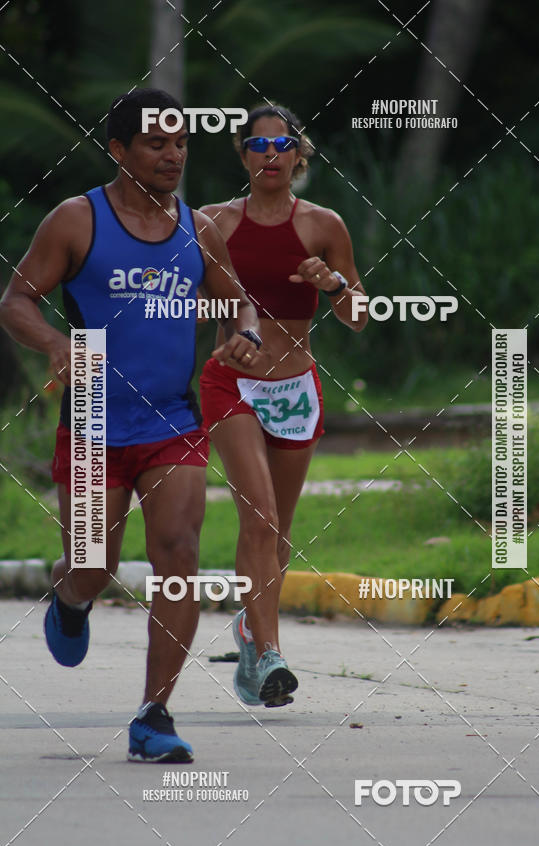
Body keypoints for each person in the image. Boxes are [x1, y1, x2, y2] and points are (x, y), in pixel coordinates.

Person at [0, 88, 261, 763]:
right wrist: (55, 343)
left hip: (172, 420)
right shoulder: (76, 219)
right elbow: (16, 300)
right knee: (95, 565)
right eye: (156, 143)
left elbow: (238, 303)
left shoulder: (198, 230)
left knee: (178, 554)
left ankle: (154, 715)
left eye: (181, 143)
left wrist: (245, 334)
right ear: (119, 150)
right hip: (92, 418)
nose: (173, 155)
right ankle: (71, 595)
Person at [199, 103, 368, 709]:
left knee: (280, 532)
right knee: (260, 519)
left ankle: (250, 637)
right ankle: (271, 652)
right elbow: (187, 302)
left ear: (300, 155)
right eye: (257, 144)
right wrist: (222, 322)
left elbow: (358, 315)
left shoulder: (324, 224)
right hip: (232, 384)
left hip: (296, 389)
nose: (270, 155)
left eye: (282, 145)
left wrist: (334, 285)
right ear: (242, 154)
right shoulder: (212, 222)